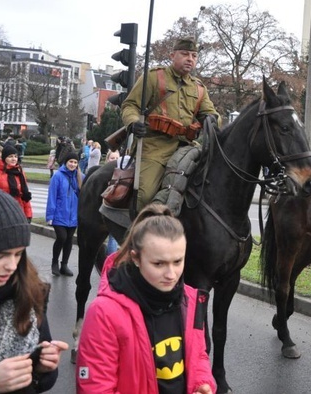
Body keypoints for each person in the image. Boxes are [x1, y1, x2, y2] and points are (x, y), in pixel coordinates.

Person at [76, 204, 216, 394]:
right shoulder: (103, 313)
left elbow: (199, 355)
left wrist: (202, 383)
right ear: (135, 258)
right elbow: (96, 388)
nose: (171, 274)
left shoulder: (191, 300)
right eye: (158, 264)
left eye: (178, 261)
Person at [0, 189, 69, 393]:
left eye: (18, 254)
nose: (11, 265)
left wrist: (42, 367)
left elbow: (40, 381)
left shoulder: (30, 291)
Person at [121, 38, 220, 211]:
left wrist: (212, 119)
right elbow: (130, 105)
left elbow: (211, 114)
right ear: (172, 55)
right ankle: (138, 231)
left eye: (194, 56)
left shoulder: (199, 88)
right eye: (185, 54)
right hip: (154, 148)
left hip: (186, 149)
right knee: (145, 195)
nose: (190, 59)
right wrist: (134, 122)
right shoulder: (154, 77)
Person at [46, 151, 82, 277]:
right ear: (66, 162)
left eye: (75, 162)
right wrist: (50, 215)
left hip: (73, 216)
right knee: (62, 237)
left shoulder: (79, 177)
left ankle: (64, 265)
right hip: (60, 214)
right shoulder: (58, 176)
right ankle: (54, 262)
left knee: (69, 240)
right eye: (70, 162)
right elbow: (52, 196)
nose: (73, 164)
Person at [0, 144, 33, 221]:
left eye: (15, 156)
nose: (14, 159)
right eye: (10, 156)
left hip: (19, 213)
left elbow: (25, 195)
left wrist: (28, 214)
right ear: (4, 158)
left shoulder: (20, 172)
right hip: (2, 215)